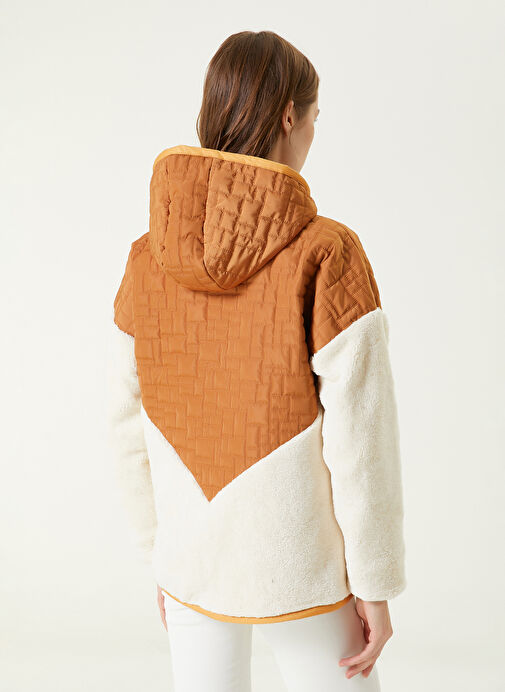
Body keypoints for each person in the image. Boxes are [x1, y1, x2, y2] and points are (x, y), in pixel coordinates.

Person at [106, 30, 406, 692]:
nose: (313, 134)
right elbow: (361, 439)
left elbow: (126, 422)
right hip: (301, 568)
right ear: (289, 116)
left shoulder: (145, 258)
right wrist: (375, 581)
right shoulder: (329, 253)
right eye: (315, 118)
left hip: (191, 562)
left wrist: (161, 554)